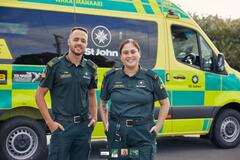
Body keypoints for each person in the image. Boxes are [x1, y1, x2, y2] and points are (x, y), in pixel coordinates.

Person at [99, 38, 169, 160]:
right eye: (125, 53)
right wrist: (106, 124)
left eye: (133, 52)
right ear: (121, 56)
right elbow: (103, 102)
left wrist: (158, 127)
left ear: (139, 54)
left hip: (143, 134)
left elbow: (165, 103)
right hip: (117, 133)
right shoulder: (111, 77)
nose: (129, 55)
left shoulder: (151, 78)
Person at [35, 27, 98, 160]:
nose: (79, 43)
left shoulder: (90, 68)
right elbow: (39, 96)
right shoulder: (55, 66)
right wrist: (50, 123)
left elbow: (92, 94)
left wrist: (94, 118)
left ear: (86, 44)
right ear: (69, 42)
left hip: (83, 127)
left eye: (83, 40)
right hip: (62, 127)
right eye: (76, 39)